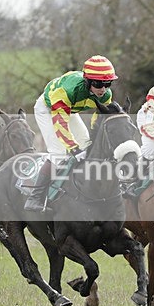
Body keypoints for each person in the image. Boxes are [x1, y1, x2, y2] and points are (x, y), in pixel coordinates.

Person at [24, 55, 117, 212]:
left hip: (70, 110)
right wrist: (73, 148)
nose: (103, 89)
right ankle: (34, 198)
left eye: (107, 84)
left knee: (87, 145)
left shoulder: (106, 95)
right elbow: (60, 124)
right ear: (88, 81)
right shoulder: (68, 91)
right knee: (59, 153)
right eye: (98, 84)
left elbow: (98, 120)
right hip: (48, 108)